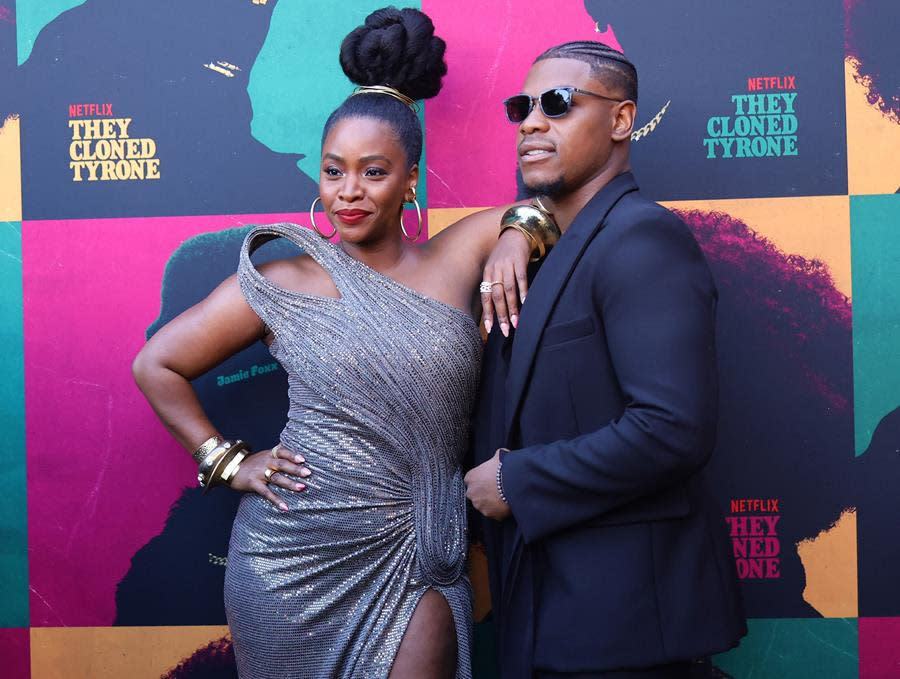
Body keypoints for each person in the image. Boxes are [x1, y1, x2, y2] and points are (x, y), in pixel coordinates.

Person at [132, 8, 536, 679]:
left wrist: (520, 235)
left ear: (410, 178)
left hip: (417, 554)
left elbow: (545, 210)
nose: (349, 191)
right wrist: (229, 462)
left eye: (373, 172)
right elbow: (157, 363)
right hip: (290, 559)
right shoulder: (285, 276)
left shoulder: (457, 256)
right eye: (333, 170)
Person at [465, 41, 746, 678]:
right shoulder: (557, 244)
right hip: (549, 617)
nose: (532, 122)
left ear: (622, 121)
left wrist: (517, 480)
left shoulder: (643, 237)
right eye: (522, 107)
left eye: (558, 104)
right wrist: (523, 225)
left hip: (626, 632)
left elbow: (674, 429)